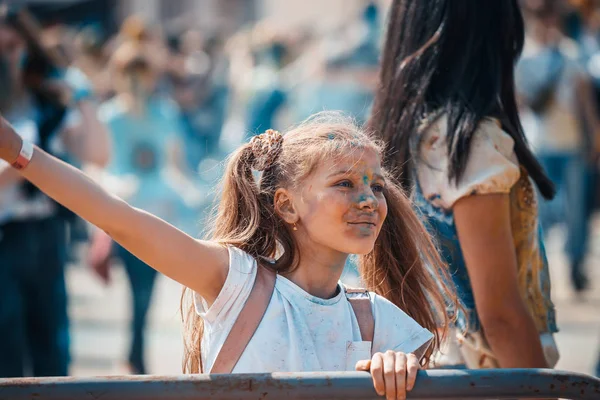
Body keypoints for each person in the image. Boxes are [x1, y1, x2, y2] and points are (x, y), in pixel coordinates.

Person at [0, 109, 457, 398]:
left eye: (375, 185)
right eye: (344, 183)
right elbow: (116, 216)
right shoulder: (238, 283)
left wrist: (399, 369)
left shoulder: (379, 322)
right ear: (286, 205)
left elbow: (418, 376)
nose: (368, 200)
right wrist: (16, 151)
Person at [369, 0, 558, 369]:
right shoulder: (469, 142)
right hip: (488, 378)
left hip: (429, 370)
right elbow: (501, 316)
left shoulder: (404, 134)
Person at [0, 14, 110, 377]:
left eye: (13, 47)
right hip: (4, 235)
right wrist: (20, 163)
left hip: (45, 232)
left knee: (52, 344)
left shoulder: (46, 102)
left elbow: (97, 153)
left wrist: (82, 95)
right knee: (7, 345)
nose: (6, 58)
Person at [90, 40, 200, 374]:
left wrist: (191, 190)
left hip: (158, 211)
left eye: (142, 74)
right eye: (130, 74)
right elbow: (103, 165)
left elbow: (176, 162)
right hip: (125, 211)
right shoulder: (110, 116)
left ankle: (134, 353)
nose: (137, 82)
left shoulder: (164, 113)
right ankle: (134, 354)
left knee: (146, 287)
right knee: (137, 287)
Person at [516, 0, 600, 293]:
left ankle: (576, 264)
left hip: (572, 144)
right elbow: (518, 104)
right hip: (539, 146)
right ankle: (538, 268)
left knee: (576, 211)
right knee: (539, 212)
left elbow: (585, 100)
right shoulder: (524, 59)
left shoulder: (571, 55)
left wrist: (594, 136)